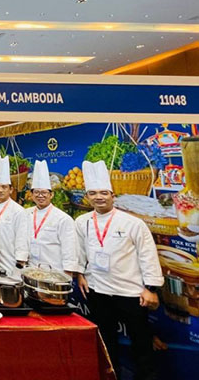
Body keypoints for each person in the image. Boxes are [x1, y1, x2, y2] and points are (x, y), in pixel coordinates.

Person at [76, 160, 163, 380]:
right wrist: (80, 274)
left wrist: (151, 288)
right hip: (98, 290)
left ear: (112, 195)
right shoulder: (82, 222)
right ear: (87, 197)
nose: (99, 197)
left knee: (141, 343)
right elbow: (80, 251)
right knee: (106, 341)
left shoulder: (132, 223)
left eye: (103, 193)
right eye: (93, 193)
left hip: (131, 293)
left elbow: (147, 254)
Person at [25, 160, 81, 276]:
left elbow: (70, 250)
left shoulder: (63, 219)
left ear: (51, 195)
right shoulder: (25, 214)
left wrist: (67, 277)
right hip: (31, 271)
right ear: (32, 195)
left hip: (55, 273)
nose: (40, 196)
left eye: (44, 192)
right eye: (36, 192)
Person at [0, 156, 29, 277]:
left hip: (10, 263)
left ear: (11, 189)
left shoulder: (19, 211)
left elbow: (22, 240)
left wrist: (19, 266)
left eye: (4, 187)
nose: (0, 190)